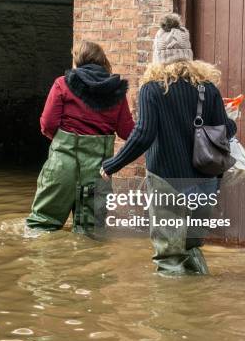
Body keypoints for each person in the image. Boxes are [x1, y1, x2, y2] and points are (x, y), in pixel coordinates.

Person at [100, 14, 237, 275]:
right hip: (206, 180)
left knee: (169, 257)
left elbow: (143, 134)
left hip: (168, 181)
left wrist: (112, 165)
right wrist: (231, 118)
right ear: (189, 54)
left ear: (158, 55)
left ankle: (171, 313)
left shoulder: (152, 89)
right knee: (191, 247)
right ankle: (200, 308)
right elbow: (225, 131)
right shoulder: (208, 88)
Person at [26, 41, 135, 234]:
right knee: (90, 233)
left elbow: (48, 124)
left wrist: (63, 143)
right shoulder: (116, 91)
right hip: (98, 170)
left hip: (63, 164)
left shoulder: (62, 84)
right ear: (102, 61)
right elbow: (127, 132)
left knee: (41, 227)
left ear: (78, 60)